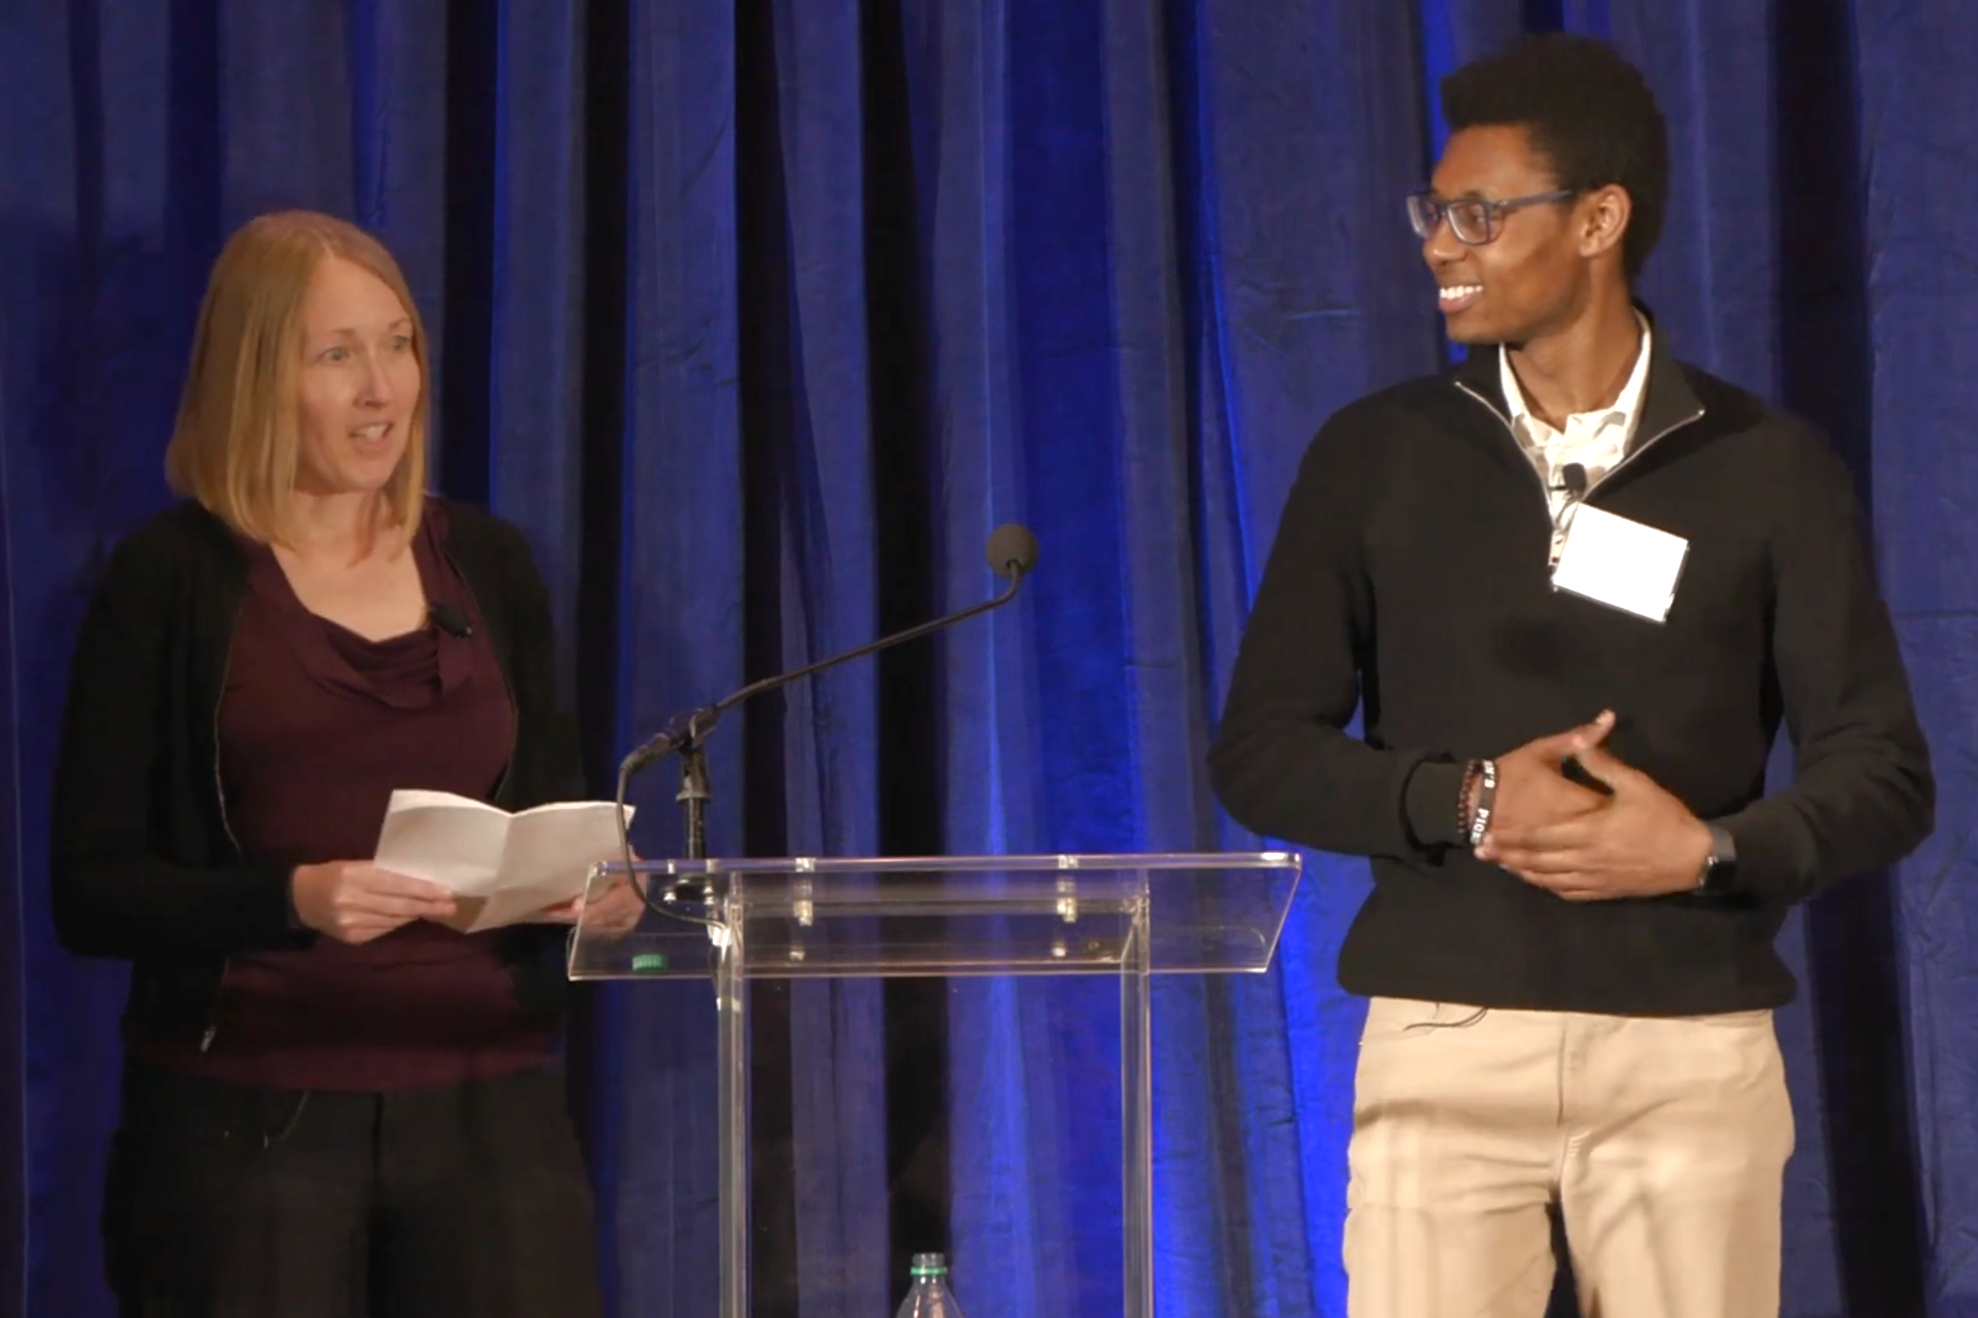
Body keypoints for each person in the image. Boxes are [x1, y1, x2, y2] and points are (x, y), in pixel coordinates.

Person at [1207, 33, 1932, 1318]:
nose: (1440, 243)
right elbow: (1261, 749)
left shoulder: (1768, 466)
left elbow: (1880, 772)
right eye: (1432, 211)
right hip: (1442, 1042)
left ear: (1599, 219)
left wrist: (1706, 847)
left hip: (1684, 1051)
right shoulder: (1373, 455)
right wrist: (1468, 800)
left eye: (1479, 214)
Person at [50, 210, 603, 1317]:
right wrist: (293, 897)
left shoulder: (488, 564)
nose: (381, 390)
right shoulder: (170, 581)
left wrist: (596, 890)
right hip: (248, 1125)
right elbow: (92, 892)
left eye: (399, 345)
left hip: (493, 1120)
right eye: (336, 354)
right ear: (257, 374)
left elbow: (552, 807)